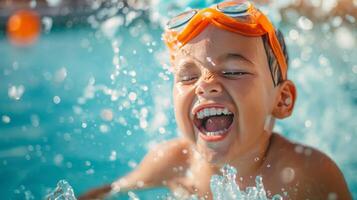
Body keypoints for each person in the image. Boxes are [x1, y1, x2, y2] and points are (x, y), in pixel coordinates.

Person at [79, 1, 352, 199]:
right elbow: (108, 191)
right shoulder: (174, 161)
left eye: (233, 71)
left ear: (282, 100)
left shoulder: (308, 173)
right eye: (187, 77)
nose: (205, 85)